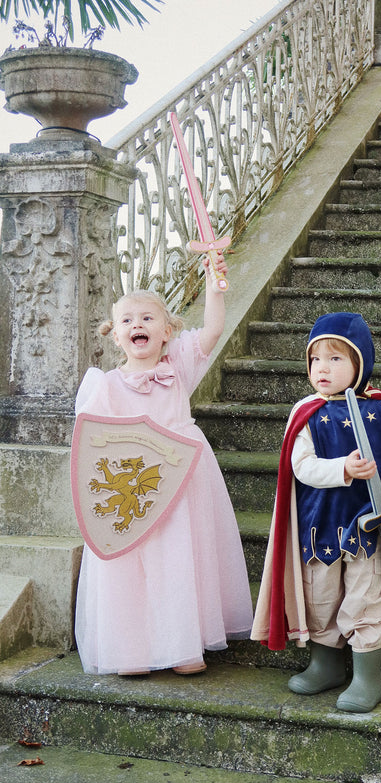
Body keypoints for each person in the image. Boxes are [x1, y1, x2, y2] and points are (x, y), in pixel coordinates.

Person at [74, 254, 253, 675]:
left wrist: (213, 283)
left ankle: (182, 645)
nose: (137, 324)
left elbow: (212, 330)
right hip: (132, 486)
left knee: (178, 558)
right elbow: (93, 447)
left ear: (167, 331)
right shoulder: (104, 385)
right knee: (131, 564)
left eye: (148, 317)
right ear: (116, 335)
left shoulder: (179, 368)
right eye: (127, 320)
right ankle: (131, 650)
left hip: (181, 479)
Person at [251, 312, 381, 712]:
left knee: (365, 597)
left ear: (360, 362)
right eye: (315, 359)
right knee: (320, 596)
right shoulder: (307, 412)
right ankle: (326, 664)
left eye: (335, 359)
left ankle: (367, 676)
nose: (322, 369)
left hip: (369, 526)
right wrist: (343, 469)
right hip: (319, 526)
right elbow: (301, 466)